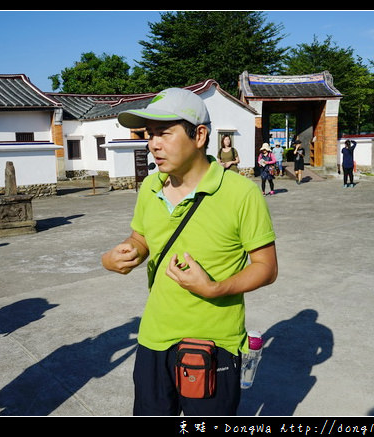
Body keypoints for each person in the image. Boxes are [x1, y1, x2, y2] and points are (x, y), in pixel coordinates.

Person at [102, 88, 278, 416]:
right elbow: (141, 238)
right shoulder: (149, 187)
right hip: (153, 339)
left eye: (164, 133)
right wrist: (125, 254)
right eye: (150, 135)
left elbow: (266, 267)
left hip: (213, 345)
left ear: (199, 135)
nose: (153, 144)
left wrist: (214, 288)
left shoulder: (241, 194)